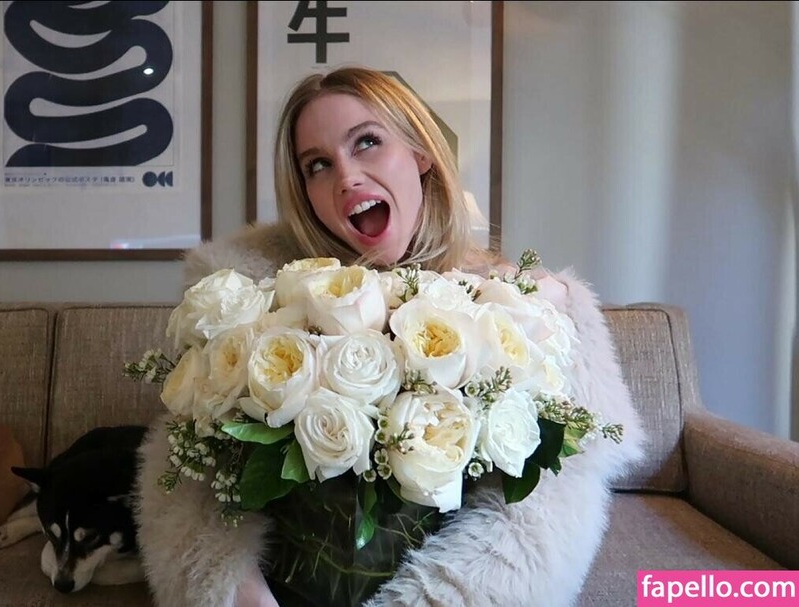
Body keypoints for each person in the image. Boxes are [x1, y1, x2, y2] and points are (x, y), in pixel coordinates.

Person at [135, 66, 644, 607]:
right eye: (317, 165)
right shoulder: (247, 293)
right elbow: (186, 471)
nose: (346, 177)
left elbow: (562, 491)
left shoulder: (518, 305)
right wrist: (239, 596)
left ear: (421, 152)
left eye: (367, 143)